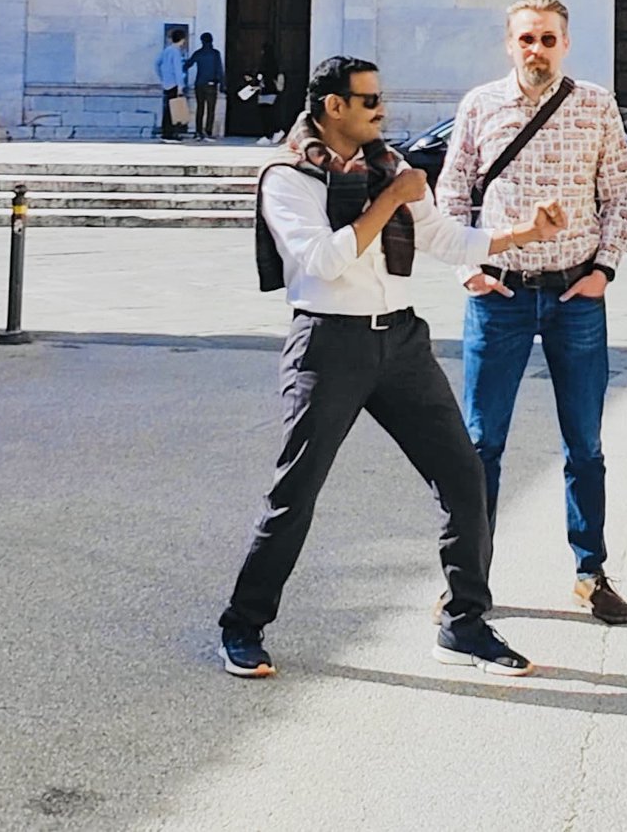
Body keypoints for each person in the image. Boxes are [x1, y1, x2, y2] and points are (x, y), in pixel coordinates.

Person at [217, 55, 569, 679]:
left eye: (381, 97)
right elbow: (323, 260)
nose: (383, 110)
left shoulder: (391, 167)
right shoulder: (287, 176)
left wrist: (522, 233)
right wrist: (390, 200)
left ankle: (464, 624)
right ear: (333, 107)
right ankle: (242, 624)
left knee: (464, 475)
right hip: (329, 345)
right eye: (369, 100)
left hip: (402, 342)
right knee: (295, 492)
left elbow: (445, 239)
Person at [435, 0, 627, 624]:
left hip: (575, 293)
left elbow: (621, 191)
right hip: (501, 295)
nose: (537, 50)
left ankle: (590, 571)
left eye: (548, 39)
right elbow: (453, 189)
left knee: (584, 443)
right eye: (527, 39)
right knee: (480, 443)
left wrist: (604, 269)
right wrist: (468, 267)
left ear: (566, 44)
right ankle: (469, 578)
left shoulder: (596, 104)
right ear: (509, 44)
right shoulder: (480, 105)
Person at [185, 32, 225, 141]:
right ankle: (208, 131)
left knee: (200, 108)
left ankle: (198, 131)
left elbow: (187, 65)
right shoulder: (215, 53)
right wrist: (222, 84)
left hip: (199, 84)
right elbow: (219, 70)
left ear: (202, 41)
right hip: (211, 84)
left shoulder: (198, 53)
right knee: (211, 110)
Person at [154, 29, 187, 143]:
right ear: (182, 39)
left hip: (166, 84)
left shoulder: (166, 50)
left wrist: (162, 77)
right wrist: (180, 86)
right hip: (174, 84)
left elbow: (157, 64)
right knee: (174, 110)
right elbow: (178, 70)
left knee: (167, 109)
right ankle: (170, 134)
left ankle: (166, 132)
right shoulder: (176, 52)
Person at [256, 41, 285, 145]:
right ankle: (275, 132)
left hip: (265, 92)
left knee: (265, 115)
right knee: (271, 113)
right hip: (273, 91)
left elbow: (261, 77)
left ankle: (268, 135)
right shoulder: (275, 63)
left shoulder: (264, 64)